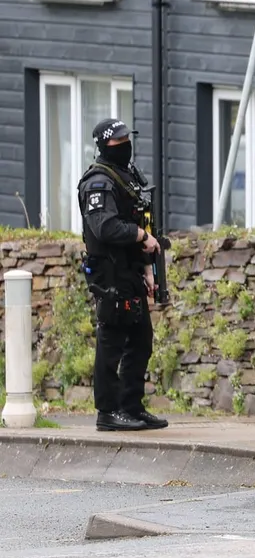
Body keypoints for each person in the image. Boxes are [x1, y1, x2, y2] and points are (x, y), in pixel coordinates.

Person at [79, 119, 168, 432]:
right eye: (118, 142)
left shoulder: (125, 176)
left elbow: (138, 218)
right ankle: (108, 411)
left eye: (126, 140)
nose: (124, 146)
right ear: (105, 147)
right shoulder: (98, 182)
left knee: (141, 341)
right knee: (111, 341)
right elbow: (105, 227)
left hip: (130, 271)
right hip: (110, 275)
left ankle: (131, 406)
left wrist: (147, 268)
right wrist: (143, 238)